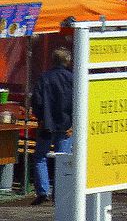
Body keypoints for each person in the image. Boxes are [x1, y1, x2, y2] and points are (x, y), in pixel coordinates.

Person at [30, 47, 73, 205]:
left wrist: (40, 118)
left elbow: (37, 101)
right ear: (67, 60)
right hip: (66, 125)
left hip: (46, 125)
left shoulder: (44, 77)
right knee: (63, 160)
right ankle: (59, 192)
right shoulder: (72, 78)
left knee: (40, 156)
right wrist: (73, 124)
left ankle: (43, 190)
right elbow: (78, 101)